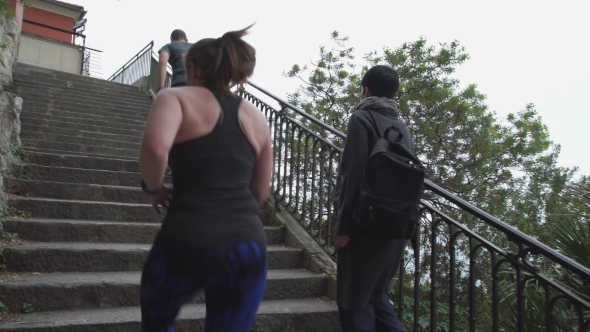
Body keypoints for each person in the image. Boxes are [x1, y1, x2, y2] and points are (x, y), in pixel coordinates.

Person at [139, 24, 273, 332]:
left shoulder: (174, 98)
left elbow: (156, 147)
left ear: (193, 67)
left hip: (186, 238)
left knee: (156, 321)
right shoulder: (257, 118)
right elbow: (261, 191)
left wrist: (154, 189)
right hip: (247, 246)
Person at [334, 65, 414, 332]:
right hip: (395, 227)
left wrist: (343, 226)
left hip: (364, 225)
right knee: (376, 294)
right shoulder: (402, 126)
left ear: (366, 90)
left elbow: (352, 173)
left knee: (353, 299)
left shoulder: (362, 118)